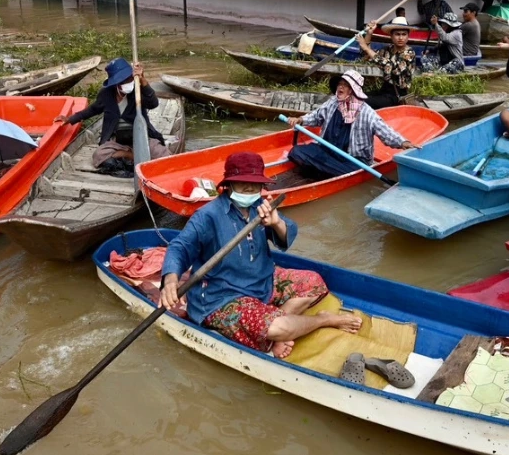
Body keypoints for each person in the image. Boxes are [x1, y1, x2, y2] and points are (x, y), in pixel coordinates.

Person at [160, 152, 363, 359]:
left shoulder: (260, 206)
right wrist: (170, 280)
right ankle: (322, 320)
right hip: (222, 296)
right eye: (242, 183)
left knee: (314, 282)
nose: (249, 189)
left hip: (261, 282)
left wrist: (276, 223)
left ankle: (270, 328)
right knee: (280, 328)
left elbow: (288, 234)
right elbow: (180, 247)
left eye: (255, 184)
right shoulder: (208, 215)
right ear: (228, 184)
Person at [286, 71, 415, 179]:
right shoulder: (333, 103)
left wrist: (403, 142)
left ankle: (323, 170)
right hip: (327, 152)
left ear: (353, 90)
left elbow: (385, 131)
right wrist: (300, 119)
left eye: (346, 85)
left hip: (352, 161)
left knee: (346, 171)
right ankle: (324, 170)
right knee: (296, 152)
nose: (340, 88)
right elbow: (316, 116)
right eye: (340, 84)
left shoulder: (366, 112)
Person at [54, 57, 170, 176]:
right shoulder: (106, 94)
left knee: (163, 154)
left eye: (130, 79)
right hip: (117, 142)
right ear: (117, 84)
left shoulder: (137, 91)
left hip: (141, 137)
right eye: (124, 81)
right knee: (99, 155)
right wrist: (70, 119)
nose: (128, 82)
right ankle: (131, 155)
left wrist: (143, 81)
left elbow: (153, 103)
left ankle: (134, 155)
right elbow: (92, 110)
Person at [356, 21, 419, 109]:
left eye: (404, 34)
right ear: (391, 36)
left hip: (397, 95)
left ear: (408, 36)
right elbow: (366, 55)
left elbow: (392, 68)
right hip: (384, 90)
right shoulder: (387, 49)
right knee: (357, 96)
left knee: (364, 102)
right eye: (397, 34)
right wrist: (369, 34)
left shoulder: (409, 53)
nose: (401, 38)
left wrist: (366, 48)